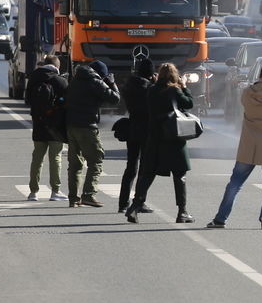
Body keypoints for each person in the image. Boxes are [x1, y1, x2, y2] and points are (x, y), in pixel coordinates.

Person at [206, 63, 262, 230]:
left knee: (235, 182)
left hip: (250, 144)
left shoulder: (247, 92)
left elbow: (245, 105)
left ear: (260, 75)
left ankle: (220, 219)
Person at [126, 63, 196, 224]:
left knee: (148, 173)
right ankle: (182, 212)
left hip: (155, 137)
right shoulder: (174, 90)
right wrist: (184, 86)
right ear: (174, 76)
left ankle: (135, 207)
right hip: (173, 138)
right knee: (180, 175)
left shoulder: (151, 90)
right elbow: (188, 103)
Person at [64, 59, 119, 207]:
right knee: (96, 160)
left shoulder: (75, 80)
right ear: (101, 74)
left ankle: (73, 198)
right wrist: (112, 82)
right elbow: (115, 98)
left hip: (71, 126)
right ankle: (88, 194)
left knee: (75, 164)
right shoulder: (95, 81)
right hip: (88, 126)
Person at [25, 54, 69, 202]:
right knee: (55, 158)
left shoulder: (34, 79)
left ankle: (33, 192)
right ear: (57, 67)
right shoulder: (60, 81)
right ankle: (55, 191)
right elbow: (66, 101)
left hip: (38, 123)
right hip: (56, 126)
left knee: (37, 158)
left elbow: (27, 99)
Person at [117, 55, 154, 214]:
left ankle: (123, 202)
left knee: (131, 166)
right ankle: (139, 200)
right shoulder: (148, 88)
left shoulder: (129, 85)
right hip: (146, 129)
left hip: (132, 127)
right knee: (145, 168)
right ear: (150, 73)